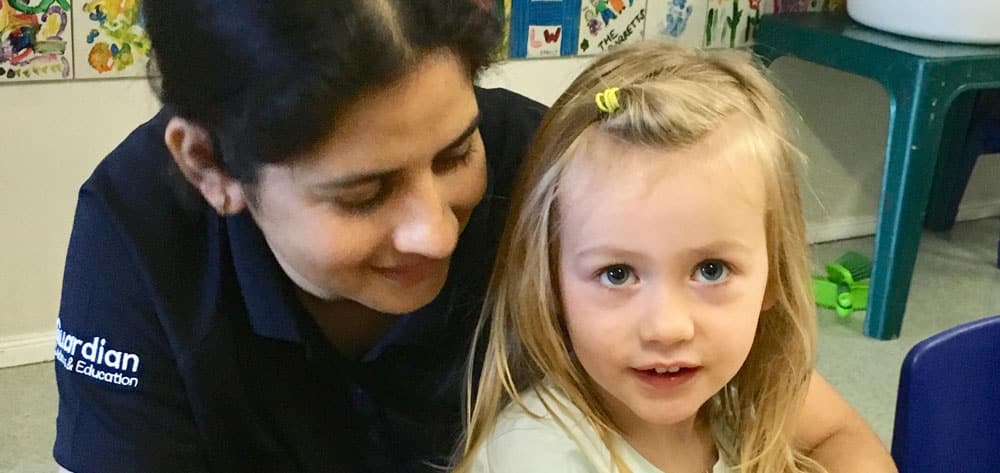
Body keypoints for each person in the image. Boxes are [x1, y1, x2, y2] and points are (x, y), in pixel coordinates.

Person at [52, 1, 893, 472]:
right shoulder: (136, 244)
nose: (432, 232)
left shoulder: (557, 179)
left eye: (456, 152)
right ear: (209, 166)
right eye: (363, 193)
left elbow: (817, 421)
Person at [454, 42, 897, 473]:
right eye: (617, 274)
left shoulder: (739, 391)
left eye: (711, 270)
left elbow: (845, 438)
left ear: (773, 278)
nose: (667, 328)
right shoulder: (535, 452)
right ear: (550, 285)